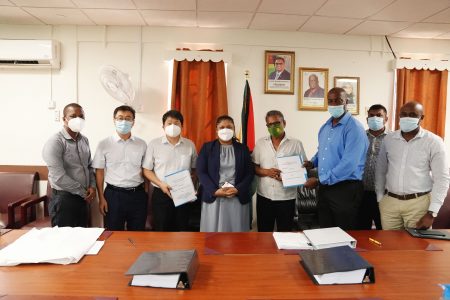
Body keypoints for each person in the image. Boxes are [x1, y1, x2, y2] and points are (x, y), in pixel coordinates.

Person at [375, 101, 450, 230]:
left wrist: (432, 213)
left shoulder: (434, 142)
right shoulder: (389, 139)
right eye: (403, 114)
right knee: (391, 247)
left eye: (413, 115)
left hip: (419, 204)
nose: (407, 117)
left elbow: (442, 178)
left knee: (418, 248)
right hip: (390, 203)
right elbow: (381, 170)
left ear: (422, 117)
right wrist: (380, 198)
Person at [303, 88, 368, 230]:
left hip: (345, 189)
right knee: (326, 231)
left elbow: (349, 164)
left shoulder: (354, 128)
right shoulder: (325, 127)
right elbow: (323, 151)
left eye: (338, 100)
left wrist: (320, 180)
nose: (333, 104)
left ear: (346, 101)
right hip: (326, 188)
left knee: (345, 233)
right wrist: (312, 162)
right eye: (330, 101)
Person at [93, 105, 147, 231]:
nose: (124, 121)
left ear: (133, 122)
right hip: (113, 196)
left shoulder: (142, 144)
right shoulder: (104, 144)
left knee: (138, 234)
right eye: (120, 118)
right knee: (113, 235)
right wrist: (101, 198)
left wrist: (145, 194)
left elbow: (146, 170)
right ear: (114, 120)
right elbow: (99, 172)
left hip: (137, 195)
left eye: (128, 118)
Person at [196, 115, 254, 232]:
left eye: (229, 127)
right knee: (212, 239)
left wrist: (238, 189)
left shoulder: (243, 149)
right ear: (216, 130)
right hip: (214, 197)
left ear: (233, 129)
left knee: (236, 237)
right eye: (222, 127)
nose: (225, 129)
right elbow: (201, 172)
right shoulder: (207, 148)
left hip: (237, 198)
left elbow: (249, 173)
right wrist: (214, 190)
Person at [142, 110, 197, 231]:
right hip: (161, 192)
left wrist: (192, 188)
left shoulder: (190, 145)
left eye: (176, 123)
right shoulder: (154, 144)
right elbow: (146, 170)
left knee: (182, 229)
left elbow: (194, 169)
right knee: (161, 229)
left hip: (183, 193)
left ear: (182, 126)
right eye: (169, 123)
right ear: (163, 126)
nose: (173, 126)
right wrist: (161, 184)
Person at [42, 103, 96, 227]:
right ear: (64, 119)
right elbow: (58, 177)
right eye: (73, 116)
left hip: (83, 199)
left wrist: (92, 187)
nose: (78, 119)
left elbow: (89, 166)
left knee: (82, 240)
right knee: (64, 241)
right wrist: (83, 192)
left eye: (81, 116)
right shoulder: (55, 142)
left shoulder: (84, 140)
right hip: (64, 200)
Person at [252, 110, 307, 232]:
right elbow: (254, 167)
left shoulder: (296, 144)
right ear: (267, 126)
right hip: (264, 197)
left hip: (286, 198)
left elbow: (302, 170)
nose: (273, 127)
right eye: (270, 124)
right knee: (264, 234)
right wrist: (267, 172)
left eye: (277, 123)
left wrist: (287, 177)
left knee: (286, 234)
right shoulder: (261, 143)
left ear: (284, 123)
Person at [357, 104, 388, 230]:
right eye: (371, 115)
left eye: (379, 115)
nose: (375, 118)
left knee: (383, 231)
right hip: (361, 193)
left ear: (386, 119)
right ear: (367, 119)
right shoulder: (359, 137)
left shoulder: (393, 139)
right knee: (361, 231)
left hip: (384, 194)